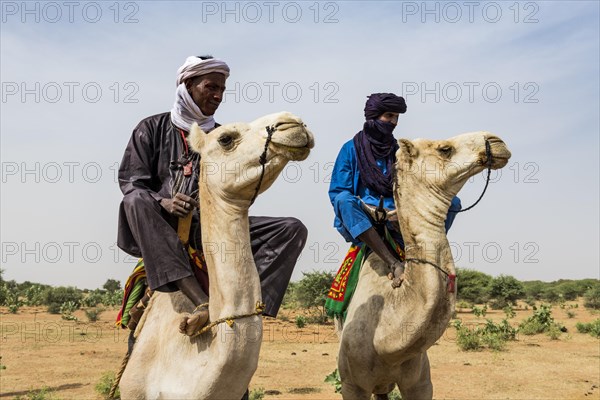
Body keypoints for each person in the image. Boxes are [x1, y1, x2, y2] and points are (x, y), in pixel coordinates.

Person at [117, 55, 307, 336]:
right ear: (188, 84)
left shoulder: (223, 136)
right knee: (134, 200)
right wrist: (165, 202)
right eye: (211, 87)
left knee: (291, 229)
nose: (218, 96)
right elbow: (131, 182)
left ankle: (248, 310)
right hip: (163, 227)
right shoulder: (151, 128)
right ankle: (200, 301)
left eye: (222, 89)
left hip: (212, 227)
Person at [328, 93, 461, 288]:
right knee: (343, 200)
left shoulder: (402, 151)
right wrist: (373, 210)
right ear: (374, 116)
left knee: (453, 202)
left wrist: (403, 211)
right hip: (367, 215)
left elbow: (418, 186)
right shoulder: (350, 149)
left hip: (402, 214)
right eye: (389, 116)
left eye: (397, 117)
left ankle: (429, 255)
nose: (394, 122)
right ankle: (393, 263)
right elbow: (338, 190)